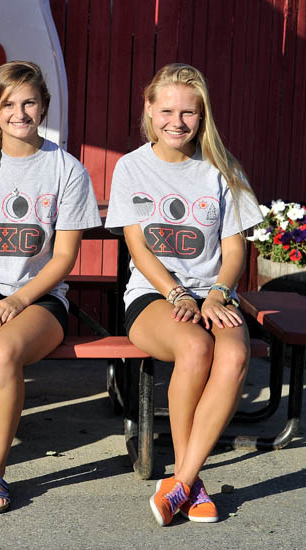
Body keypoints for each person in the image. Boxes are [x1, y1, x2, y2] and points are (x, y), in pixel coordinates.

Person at [0, 61, 101, 514]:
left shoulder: (66, 169)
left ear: (44, 106)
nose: (20, 112)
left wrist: (19, 299)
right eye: (9, 103)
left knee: (3, 353)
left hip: (41, 300)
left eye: (29, 102)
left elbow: (65, 257)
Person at [105, 63, 262, 526]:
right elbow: (137, 244)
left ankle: (183, 481)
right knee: (194, 347)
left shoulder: (222, 168)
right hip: (154, 295)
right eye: (167, 110)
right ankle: (188, 482)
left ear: (202, 116)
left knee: (234, 357)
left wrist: (215, 294)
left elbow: (234, 249)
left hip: (213, 293)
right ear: (149, 111)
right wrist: (178, 294)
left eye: (189, 112)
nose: (177, 121)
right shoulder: (131, 166)